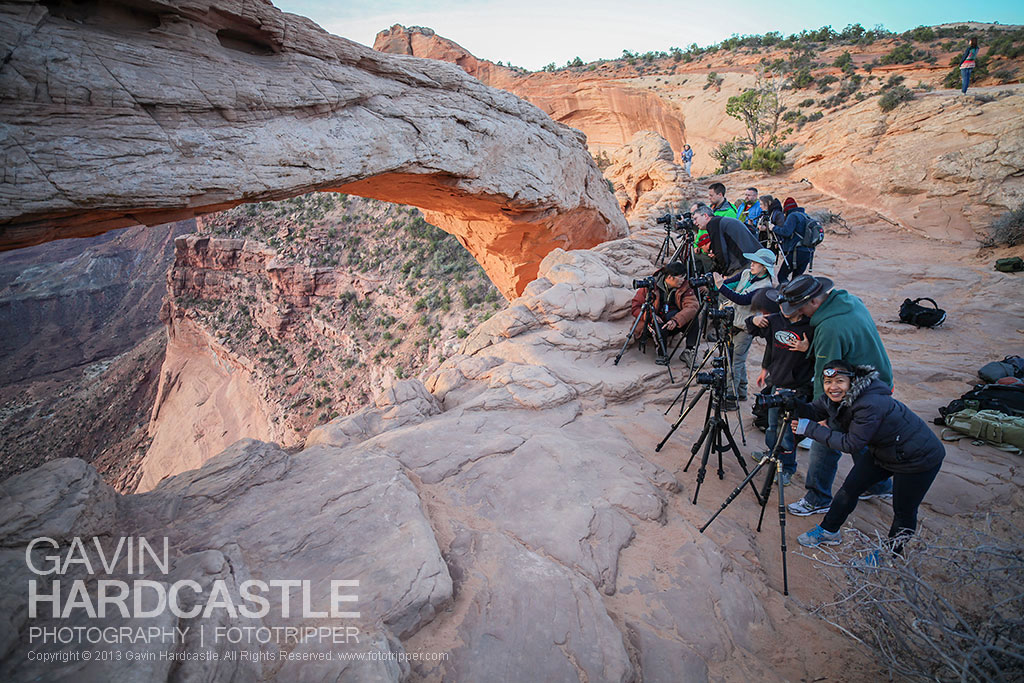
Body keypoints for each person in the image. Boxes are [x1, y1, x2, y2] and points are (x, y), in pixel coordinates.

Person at [774, 275, 895, 516]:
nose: (801, 314)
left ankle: (818, 497)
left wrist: (823, 414)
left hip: (855, 390)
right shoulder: (850, 301)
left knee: (825, 440)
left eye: (801, 308)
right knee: (861, 435)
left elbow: (825, 376)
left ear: (814, 302)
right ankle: (879, 484)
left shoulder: (829, 328)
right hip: (878, 381)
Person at [792, 360, 945, 550]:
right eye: (828, 382)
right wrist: (792, 404)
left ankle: (889, 555)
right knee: (849, 489)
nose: (833, 387)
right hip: (884, 451)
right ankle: (828, 531)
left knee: (903, 511)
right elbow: (814, 410)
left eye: (839, 381)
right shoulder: (836, 398)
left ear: (852, 381)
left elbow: (851, 443)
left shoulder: (869, 403)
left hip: (917, 458)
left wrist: (809, 428)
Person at [745, 288, 814, 485]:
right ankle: (772, 453)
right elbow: (755, 331)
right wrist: (754, 321)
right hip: (777, 382)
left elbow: (821, 356)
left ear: (801, 308)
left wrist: (807, 349)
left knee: (788, 432)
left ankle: (787, 468)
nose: (785, 310)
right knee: (772, 425)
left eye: (790, 308)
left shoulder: (811, 327)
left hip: (797, 388)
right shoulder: (776, 320)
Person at [714, 248, 776, 401]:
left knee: (734, 362)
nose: (752, 264)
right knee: (737, 359)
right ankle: (741, 391)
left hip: (747, 327)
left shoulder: (764, 287)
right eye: (753, 261)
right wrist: (715, 282)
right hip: (734, 322)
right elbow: (730, 283)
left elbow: (743, 299)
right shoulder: (746, 273)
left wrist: (721, 286)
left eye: (757, 263)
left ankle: (731, 397)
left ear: (765, 268)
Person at [629, 261, 700, 359]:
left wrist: (676, 320)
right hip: (653, 322)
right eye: (681, 277)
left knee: (693, 320)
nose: (683, 280)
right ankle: (662, 355)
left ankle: (689, 351)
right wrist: (650, 316)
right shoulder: (651, 285)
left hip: (672, 320)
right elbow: (635, 307)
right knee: (659, 326)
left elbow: (692, 306)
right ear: (670, 277)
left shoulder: (684, 287)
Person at [692, 205, 761, 276]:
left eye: (696, 218)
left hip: (743, 263)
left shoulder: (713, 224)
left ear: (706, 216)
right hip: (752, 259)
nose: (694, 222)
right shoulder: (721, 221)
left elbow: (720, 251)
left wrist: (724, 274)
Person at [773, 197, 814, 283]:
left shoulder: (793, 216)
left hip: (796, 252)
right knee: (796, 279)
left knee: (782, 276)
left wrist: (773, 228)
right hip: (808, 252)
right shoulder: (806, 216)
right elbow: (795, 235)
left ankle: (786, 294)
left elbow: (786, 232)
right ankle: (795, 294)